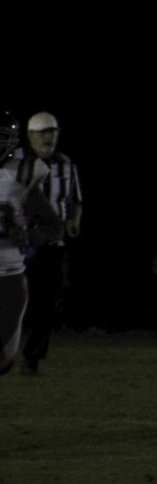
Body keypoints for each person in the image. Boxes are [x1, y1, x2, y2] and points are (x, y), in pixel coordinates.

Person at [18, 112, 82, 375]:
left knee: (49, 303)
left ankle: (32, 357)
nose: (48, 137)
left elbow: (76, 200)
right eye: (43, 132)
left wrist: (74, 221)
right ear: (30, 135)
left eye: (52, 132)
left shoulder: (66, 165)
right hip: (20, 245)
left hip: (53, 245)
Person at [0, 113, 50, 375]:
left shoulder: (25, 171)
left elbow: (52, 226)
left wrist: (28, 237)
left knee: (4, 359)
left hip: (9, 276)